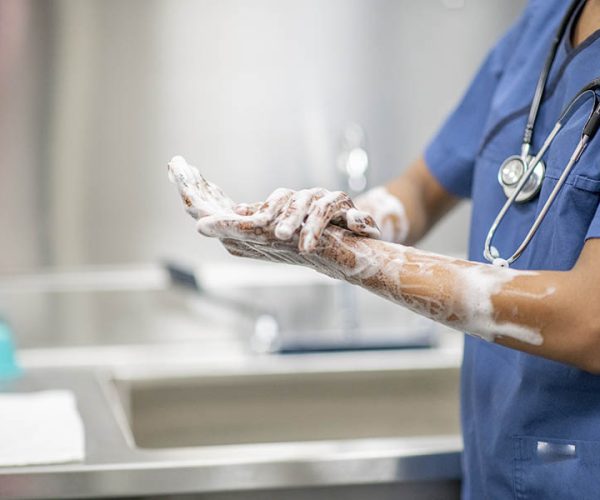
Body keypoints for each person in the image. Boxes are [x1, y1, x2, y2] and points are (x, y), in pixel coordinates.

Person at [169, 0, 600, 497]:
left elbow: (589, 320)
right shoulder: (543, 25)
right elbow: (418, 192)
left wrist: (354, 259)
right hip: (495, 472)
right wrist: (333, 220)